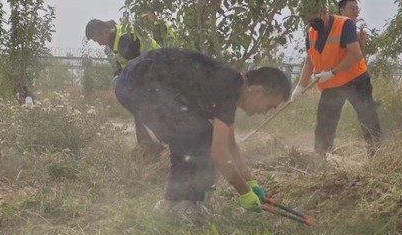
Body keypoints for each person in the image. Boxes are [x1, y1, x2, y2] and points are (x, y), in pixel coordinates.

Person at [115, 47, 290, 215]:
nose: (265, 112)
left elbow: (229, 143)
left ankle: (175, 205)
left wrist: (251, 183)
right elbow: (220, 154)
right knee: (198, 136)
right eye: (269, 106)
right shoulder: (230, 87)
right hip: (137, 83)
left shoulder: (231, 85)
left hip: (138, 83)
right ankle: (181, 206)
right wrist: (244, 192)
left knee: (196, 135)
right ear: (257, 91)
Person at [292, 4, 382, 157]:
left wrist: (332, 72)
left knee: (367, 117)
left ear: (324, 12)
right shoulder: (311, 33)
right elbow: (309, 63)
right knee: (324, 122)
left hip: (356, 80)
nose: (313, 25)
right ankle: (320, 159)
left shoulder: (344, 24)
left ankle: (378, 155)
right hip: (332, 83)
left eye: (315, 20)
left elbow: (354, 53)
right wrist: (299, 87)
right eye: (310, 22)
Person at [86, 18, 162, 156]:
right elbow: (122, 64)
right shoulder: (114, 40)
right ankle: (147, 145)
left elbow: (138, 67)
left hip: (158, 71)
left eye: (97, 40)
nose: (99, 44)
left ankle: (152, 146)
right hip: (150, 73)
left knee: (144, 108)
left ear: (103, 32)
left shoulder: (124, 40)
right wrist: (118, 77)